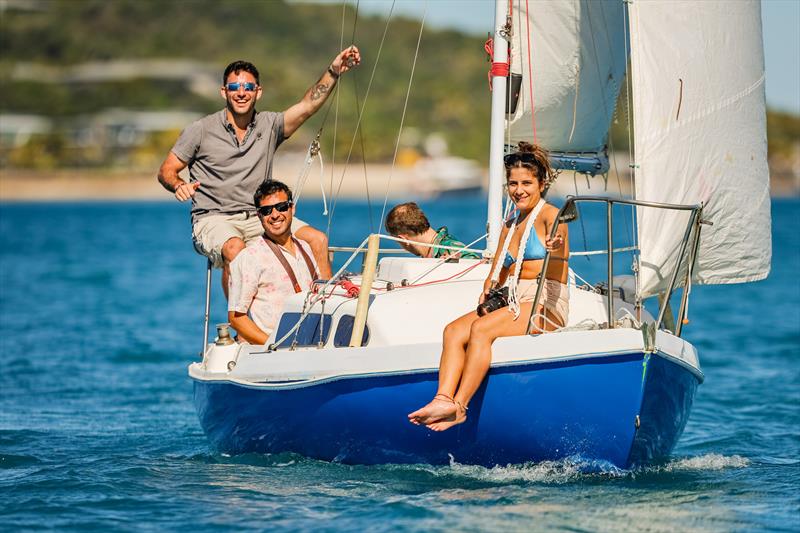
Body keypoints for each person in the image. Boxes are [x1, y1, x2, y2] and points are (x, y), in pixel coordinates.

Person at [157, 47, 361, 292]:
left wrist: (334, 71)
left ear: (258, 92)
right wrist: (179, 185)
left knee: (318, 240)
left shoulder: (270, 124)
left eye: (248, 87)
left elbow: (308, 106)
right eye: (234, 88)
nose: (241, 93)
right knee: (236, 250)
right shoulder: (200, 129)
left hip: (261, 216)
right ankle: (242, 325)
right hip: (214, 219)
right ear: (224, 92)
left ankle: (324, 306)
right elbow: (166, 170)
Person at [407, 142, 569, 431]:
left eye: (527, 183)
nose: (519, 190)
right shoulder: (510, 224)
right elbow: (497, 270)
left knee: (481, 330)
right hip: (514, 300)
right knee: (454, 330)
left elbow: (558, 245)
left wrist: (554, 245)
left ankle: (459, 408)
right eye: (513, 184)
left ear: (542, 184)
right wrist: (489, 289)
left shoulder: (550, 215)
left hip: (545, 302)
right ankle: (443, 398)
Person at [227, 180, 317, 345]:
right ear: (259, 215)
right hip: (275, 352)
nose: (275, 215)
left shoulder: (305, 247)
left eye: (281, 207)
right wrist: (274, 346)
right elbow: (236, 318)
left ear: (292, 208)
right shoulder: (249, 257)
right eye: (267, 210)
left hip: (309, 344)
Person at [384, 202, 481, 259]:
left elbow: (479, 269)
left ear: (404, 240)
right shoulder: (428, 255)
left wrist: (456, 267)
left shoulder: (451, 249)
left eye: (398, 242)